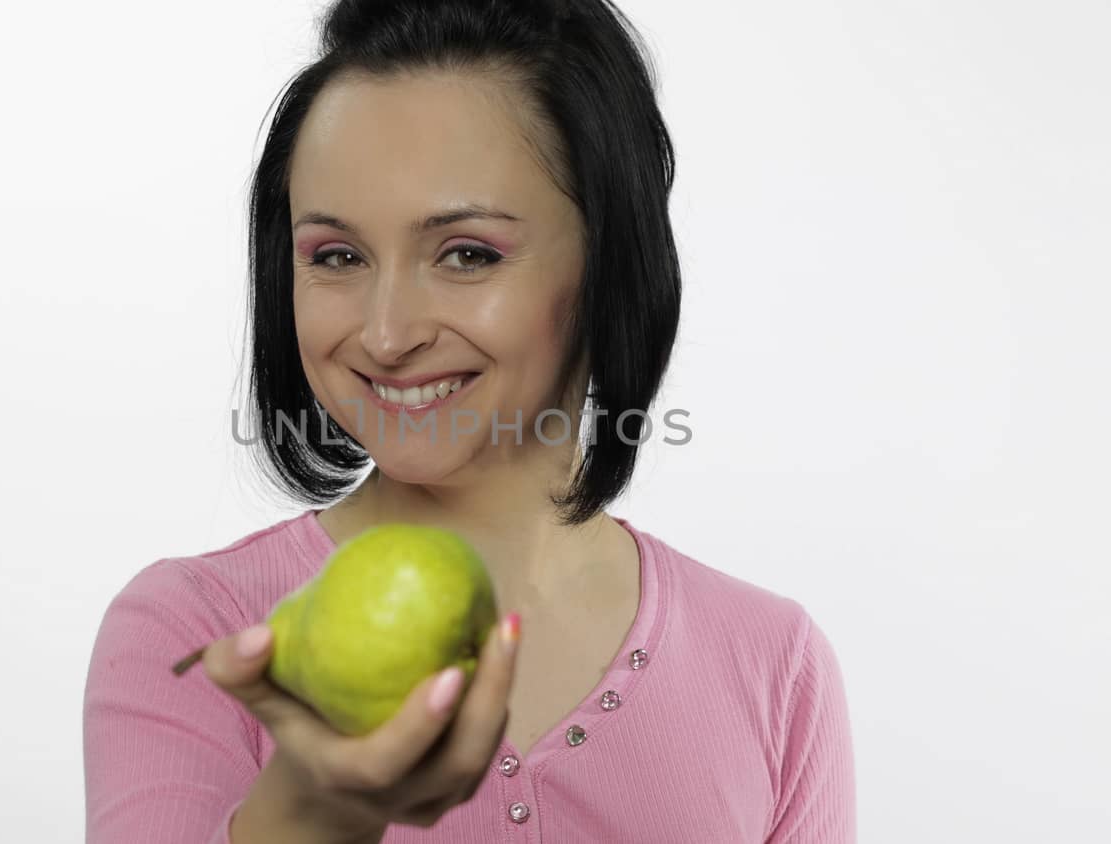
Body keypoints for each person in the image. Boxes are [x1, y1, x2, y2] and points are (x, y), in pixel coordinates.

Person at [82, 1, 856, 841]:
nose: (385, 334)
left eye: (467, 255)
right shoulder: (193, 631)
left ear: (611, 259)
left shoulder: (773, 662)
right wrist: (309, 811)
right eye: (337, 257)